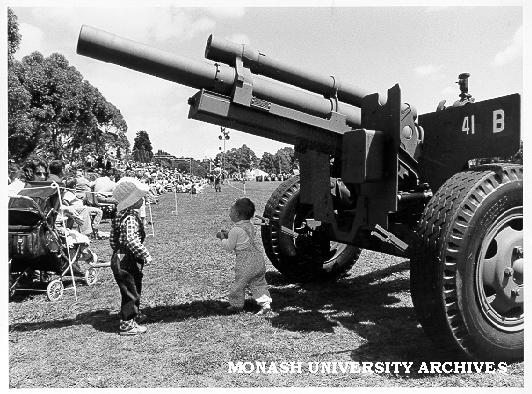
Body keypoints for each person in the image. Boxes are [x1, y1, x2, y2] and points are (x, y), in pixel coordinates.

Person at [110, 177, 152, 336]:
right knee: (130, 290)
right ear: (131, 200)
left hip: (120, 255)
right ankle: (127, 324)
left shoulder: (119, 215)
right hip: (128, 257)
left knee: (133, 286)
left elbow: (113, 239)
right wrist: (145, 254)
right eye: (139, 197)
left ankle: (134, 314)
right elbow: (131, 240)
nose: (142, 200)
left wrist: (118, 252)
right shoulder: (130, 218)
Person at [216, 197, 272, 315]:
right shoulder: (249, 225)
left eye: (231, 211)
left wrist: (222, 238)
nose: (229, 213)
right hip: (258, 260)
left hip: (245, 262)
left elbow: (229, 246)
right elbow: (243, 238)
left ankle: (236, 304)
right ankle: (265, 303)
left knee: (239, 283)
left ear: (236, 214)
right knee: (258, 282)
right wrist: (229, 234)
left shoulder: (235, 230)